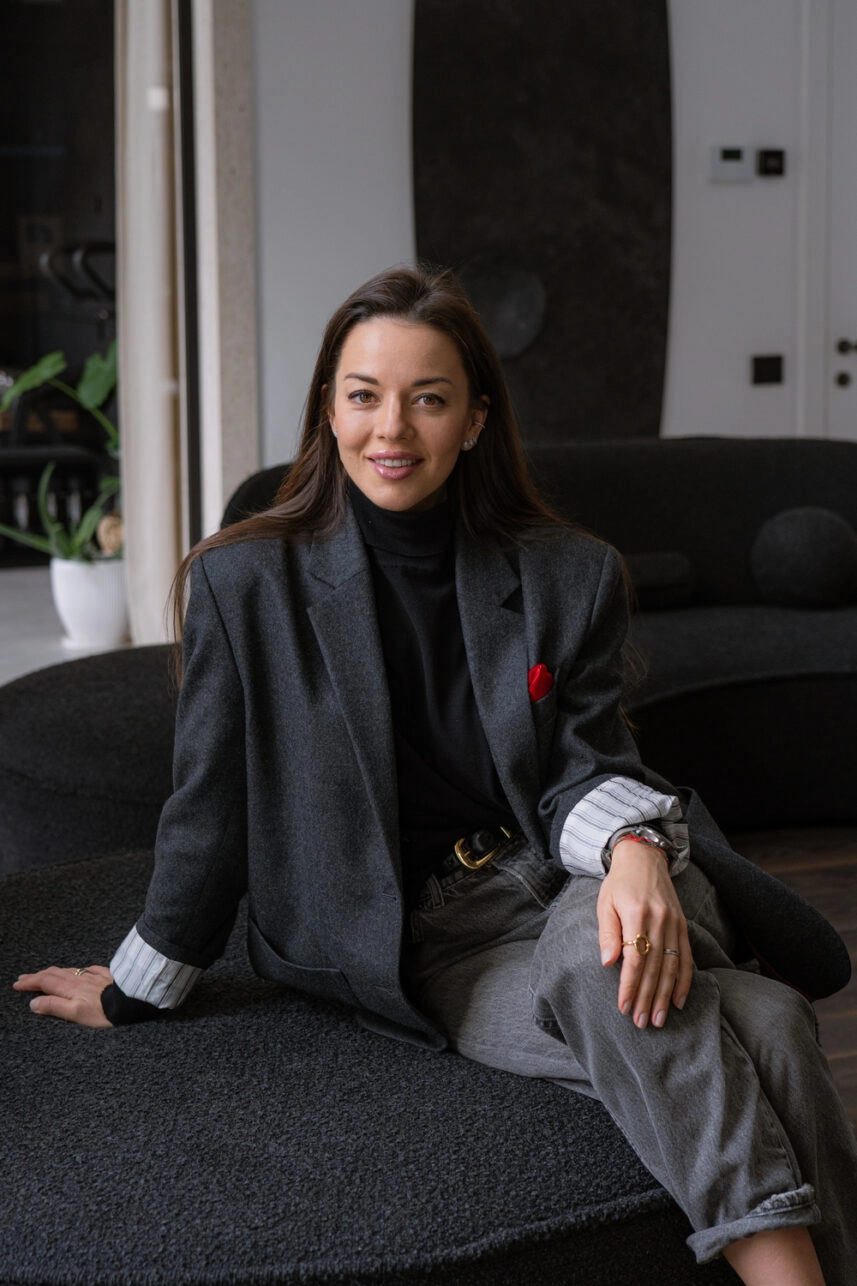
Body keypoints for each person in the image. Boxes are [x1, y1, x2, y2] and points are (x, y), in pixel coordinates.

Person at [14, 266, 857, 1284]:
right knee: (764, 1022)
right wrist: (137, 987)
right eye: (363, 394)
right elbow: (209, 812)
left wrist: (634, 850)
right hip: (429, 949)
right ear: (327, 410)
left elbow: (588, 762)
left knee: (601, 953)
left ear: (473, 418)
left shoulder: (565, 571)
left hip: (571, 874)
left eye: (428, 398)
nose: (392, 428)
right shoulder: (244, 583)